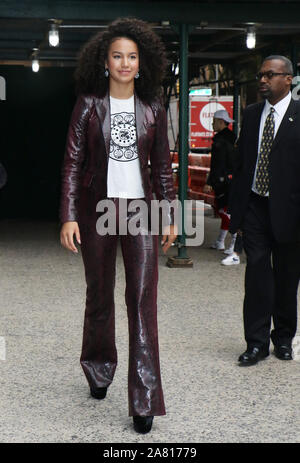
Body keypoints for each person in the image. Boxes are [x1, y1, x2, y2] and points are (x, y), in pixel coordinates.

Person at [59, 17, 177, 433]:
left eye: (131, 56)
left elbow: (163, 168)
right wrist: (69, 215)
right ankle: (98, 366)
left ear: (141, 63)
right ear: (104, 62)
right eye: (117, 56)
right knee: (100, 293)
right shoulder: (88, 104)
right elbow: (73, 163)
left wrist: (168, 214)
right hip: (98, 210)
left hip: (141, 211)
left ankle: (144, 398)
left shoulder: (154, 106)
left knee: (142, 299)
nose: (125, 63)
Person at [229, 55, 300, 365]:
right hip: (256, 206)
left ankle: (283, 338)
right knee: (257, 275)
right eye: (261, 74)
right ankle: (256, 343)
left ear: (288, 79)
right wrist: (237, 212)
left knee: (287, 277)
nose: (262, 79)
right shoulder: (252, 112)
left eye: (270, 75)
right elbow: (242, 164)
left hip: (291, 211)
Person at [206, 110, 238, 259]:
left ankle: (234, 244)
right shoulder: (232, 138)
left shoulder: (220, 141)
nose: (212, 124)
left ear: (220, 122)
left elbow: (217, 164)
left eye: (214, 121)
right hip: (231, 179)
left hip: (223, 181)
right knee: (225, 210)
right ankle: (220, 241)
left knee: (225, 212)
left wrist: (210, 181)